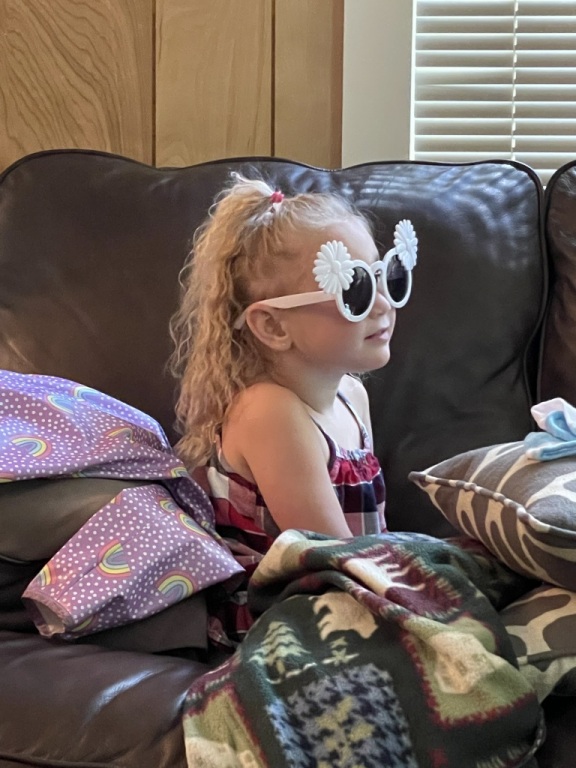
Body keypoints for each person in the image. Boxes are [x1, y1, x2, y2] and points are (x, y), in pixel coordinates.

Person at [170, 174, 417, 647]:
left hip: (350, 592)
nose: (384, 304)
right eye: (355, 289)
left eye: (388, 276)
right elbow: (336, 559)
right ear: (272, 326)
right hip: (281, 618)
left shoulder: (353, 395)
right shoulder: (270, 412)